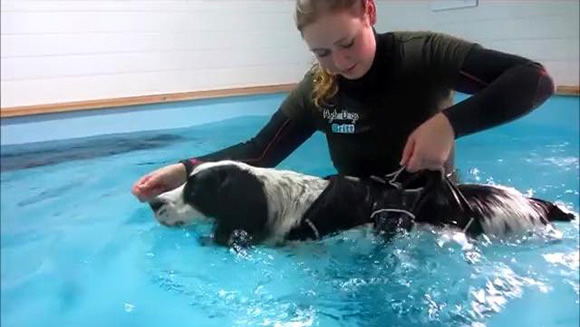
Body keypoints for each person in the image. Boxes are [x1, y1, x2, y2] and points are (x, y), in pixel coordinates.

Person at [132, 0, 554, 203]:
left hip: (434, 208)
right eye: (322, 53)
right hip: (356, 216)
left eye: (346, 43)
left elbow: (534, 81)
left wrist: (447, 124)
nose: (340, 61)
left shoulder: (422, 54)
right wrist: (184, 170)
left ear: (369, 11)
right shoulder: (318, 87)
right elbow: (259, 152)